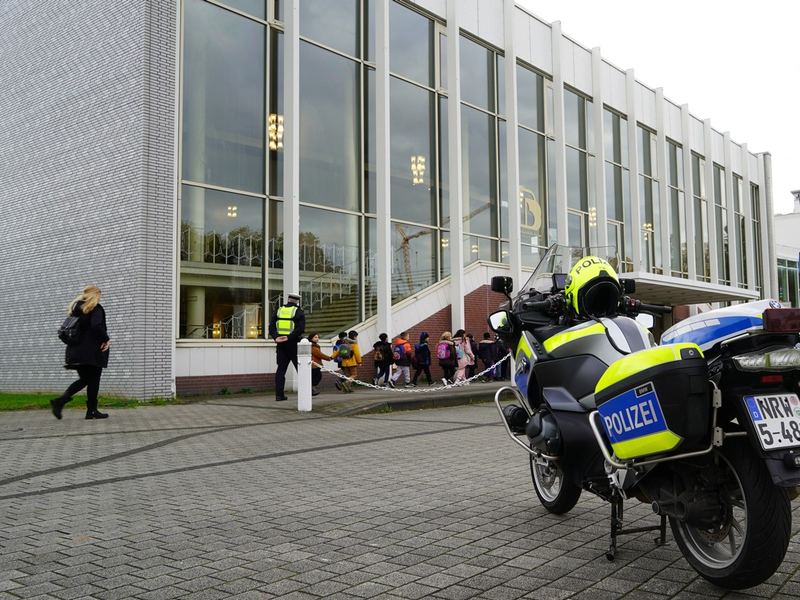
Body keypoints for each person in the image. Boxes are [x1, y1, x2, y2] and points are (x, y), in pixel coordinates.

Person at [50, 285, 111, 420]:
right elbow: (96, 326)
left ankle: (61, 401)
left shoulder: (76, 310)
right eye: (99, 295)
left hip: (75, 350)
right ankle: (91, 411)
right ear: (95, 295)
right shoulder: (95, 308)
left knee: (85, 379)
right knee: (93, 380)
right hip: (92, 351)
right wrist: (106, 339)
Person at [268, 292, 306, 401]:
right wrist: (289, 337)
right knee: (301, 368)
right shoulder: (298, 311)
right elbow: (301, 328)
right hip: (293, 343)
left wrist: (276, 337)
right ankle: (308, 392)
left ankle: (279, 395)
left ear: (288, 299)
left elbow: (271, 328)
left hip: (280, 344)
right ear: (297, 301)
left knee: (281, 369)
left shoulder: (279, 310)